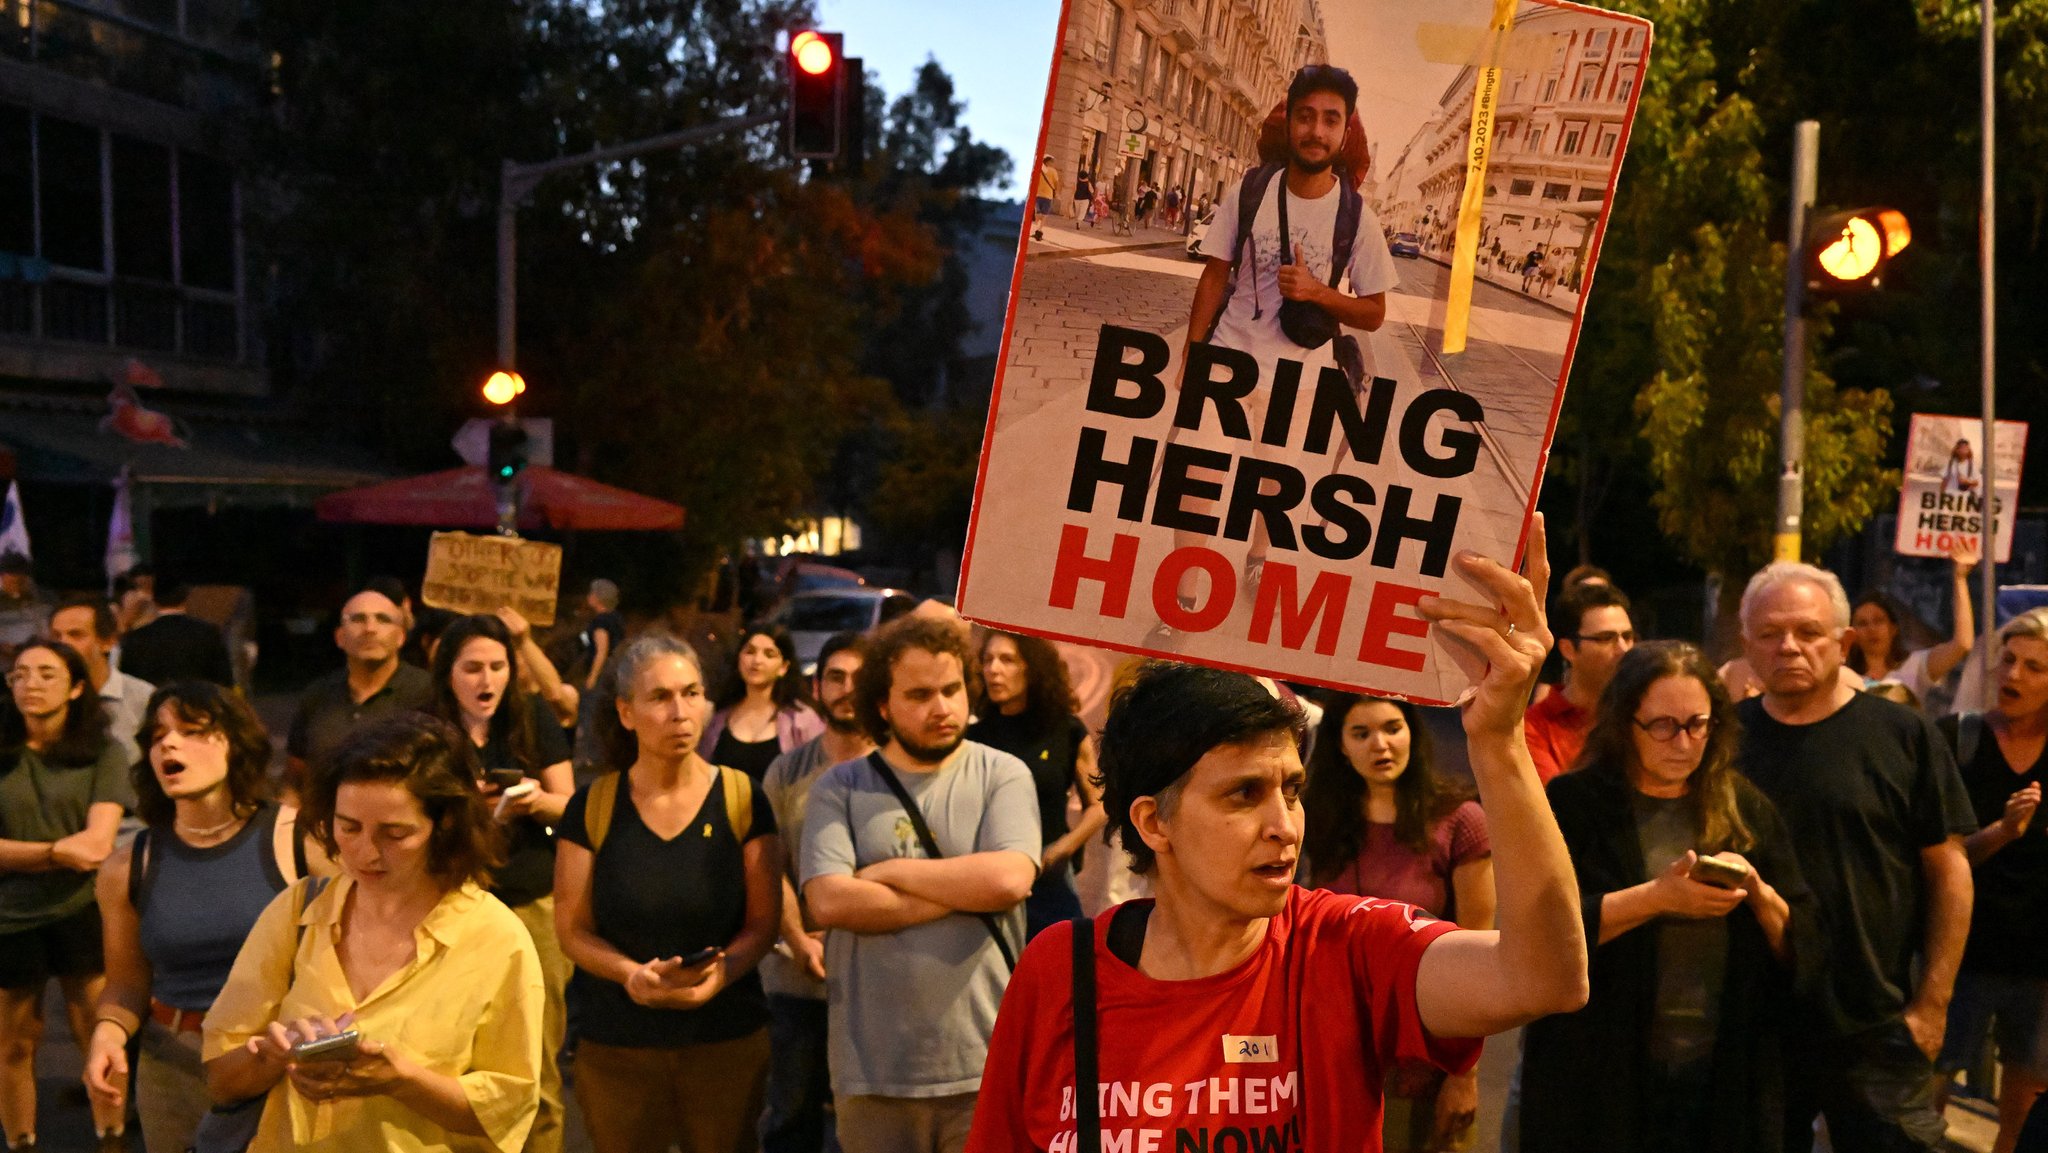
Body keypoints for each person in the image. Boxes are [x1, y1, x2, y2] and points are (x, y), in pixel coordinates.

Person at [964, 516, 1590, 1151]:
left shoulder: (1344, 948)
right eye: (1244, 794)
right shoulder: (1057, 971)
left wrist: (1499, 738)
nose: (1284, 826)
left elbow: (1545, 980)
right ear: (1155, 821)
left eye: (1291, 790)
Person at [1523, 641, 1819, 1152]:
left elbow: (1806, 945)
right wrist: (1657, 898)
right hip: (1602, 1068)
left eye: (1697, 724)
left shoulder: (1744, 807)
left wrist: (1757, 891)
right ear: (1624, 724)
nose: (1682, 742)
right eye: (1662, 725)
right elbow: (1543, 933)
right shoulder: (1576, 805)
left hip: (1724, 1071)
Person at [202, 713, 544, 1153]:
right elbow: (221, 1080)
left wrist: (402, 1080)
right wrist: (271, 1058)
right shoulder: (299, 910)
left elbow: (508, 1108)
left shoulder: (496, 938)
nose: (366, 852)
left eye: (395, 833)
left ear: (444, 827)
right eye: (348, 827)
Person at [1736, 561, 1977, 1152]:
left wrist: (1933, 1005)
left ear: (1843, 643)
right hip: (1750, 1028)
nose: (1788, 647)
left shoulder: (1903, 735)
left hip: (1878, 1021)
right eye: (1769, 633)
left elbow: (1950, 869)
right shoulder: (1719, 739)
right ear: (1747, 646)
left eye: (1808, 632)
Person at [1161, 64, 1395, 637]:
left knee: (1273, 486)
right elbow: (1215, 275)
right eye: (1307, 116)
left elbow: (1374, 312)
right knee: (1193, 478)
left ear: (1344, 133)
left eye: (1330, 120)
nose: (1316, 130)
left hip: (1303, 378)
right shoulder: (1251, 190)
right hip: (1229, 359)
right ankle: (1187, 598)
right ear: (1290, 121)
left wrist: (1318, 292)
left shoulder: (1358, 220)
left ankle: (1258, 562)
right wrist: (1193, 353)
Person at [800, 616, 1040, 1153]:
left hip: (984, 1065)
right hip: (873, 1071)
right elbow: (830, 899)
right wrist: (961, 887)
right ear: (882, 706)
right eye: (920, 694)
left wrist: (887, 873)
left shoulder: (1003, 773)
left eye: (952, 689)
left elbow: (1007, 879)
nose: (942, 708)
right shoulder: (839, 786)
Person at [553, 635, 781, 1153]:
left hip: (725, 1039)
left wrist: (720, 973)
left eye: (692, 692)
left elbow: (763, 924)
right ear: (626, 712)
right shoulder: (594, 806)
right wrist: (629, 974)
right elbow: (571, 928)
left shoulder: (742, 797)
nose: (681, 711)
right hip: (618, 1046)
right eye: (660, 697)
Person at [83, 682, 322, 1153]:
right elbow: (127, 983)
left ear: (234, 742)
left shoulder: (296, 838)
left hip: (273, 1055)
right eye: (157, 735)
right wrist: (107, 1034)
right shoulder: (129, 865)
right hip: (174, 1063)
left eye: (192, 731)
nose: (169, 743)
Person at [1301, 693, 1495, 1152]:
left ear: (1412, 732)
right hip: (1334, 1044)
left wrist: (1464, 1076)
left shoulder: (1459, 820)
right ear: (1341, 746)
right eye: (1361, 733)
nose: (1380, 745)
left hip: (1426, 1045)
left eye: (1392, 728)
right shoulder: (1321, 820)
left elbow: (1479, 958)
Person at [426, 614, 575, 1153]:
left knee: (535, 1060)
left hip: (531, 902)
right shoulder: (426, 728)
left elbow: (570, 807)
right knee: (454, 1055)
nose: (486, 680)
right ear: (447, 674)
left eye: (497, 666)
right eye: (472, 668)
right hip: (450, 902)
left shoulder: (532, 715)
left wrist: (534, 802)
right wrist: (473, 812)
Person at [0, 639, 132, 1150]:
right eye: (21, 674)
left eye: (47, 674)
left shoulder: (103, 752)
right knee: (15, 1043)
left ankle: (112, 1135)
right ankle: (21, 1141)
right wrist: (57, 851)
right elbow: (74, 849)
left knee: (94, 1032)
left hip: (83, 907)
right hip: (10, 915)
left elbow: (98, 845)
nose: (31, 684)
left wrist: (21, 852)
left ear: (77, 687)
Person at [1937, 608, 2048, 1153]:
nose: (2015, 676)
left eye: (2035, 667)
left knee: (2025, 1098)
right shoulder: (1961, 741)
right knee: (1930, 1083)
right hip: (1962, 951)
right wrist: (2005, 830)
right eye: (2008, 660)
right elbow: (1946, 859)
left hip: (2038, 964)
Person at [761, 633, 871, 1153]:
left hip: (879, 978)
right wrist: (799, 940)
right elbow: (771, 868)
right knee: (792, 1117)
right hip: (798, 977)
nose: (848, 690)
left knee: (869, 1120)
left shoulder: (900, 768)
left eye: (858, 677)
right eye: (836, 677)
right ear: (816, 687)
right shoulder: (787, 772)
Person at [967, 631, 1104, 941]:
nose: (993, 669)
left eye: (1007, 660)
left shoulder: (1065, 730)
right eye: (987, 660)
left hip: (1050, 880)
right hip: (989, 877)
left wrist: (1060, 850)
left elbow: (1098, 806)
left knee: (1060, 975)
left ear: (1033, 668)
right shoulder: (974, 739)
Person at [285, 585, 434, 791]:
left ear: (401, 636)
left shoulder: (428, 693)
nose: (370, 629)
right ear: (340, 637)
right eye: (358, 619)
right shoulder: (317, 695)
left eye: (383, 619)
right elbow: (295, 776)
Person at [1525, 583, 1636, 781]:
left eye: (1627, 637)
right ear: (1568, 649)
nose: (1623, 649)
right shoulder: (1534, 727)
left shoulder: (1643, 713)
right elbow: (1557, 805)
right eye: (1605, 638)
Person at [1848, 544, 1978, 709]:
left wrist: (1959, 578)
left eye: (1879, 620)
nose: (1871, 629)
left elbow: (1962, 644)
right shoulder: (1844, 677)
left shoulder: (1914, 666)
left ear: (1893, 628)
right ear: (1852, 634)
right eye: (1862, 623)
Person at [704, 624, 824, 784]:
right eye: (750, 652)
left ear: (783, 667)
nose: (757, 661)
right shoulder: (717, 718)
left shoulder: (802, 719)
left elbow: (819, 776)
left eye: (769, 654)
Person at [51, 596, 156, 766]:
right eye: (56, 636)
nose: (63, 644)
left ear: (108, 642)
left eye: (75, 635)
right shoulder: (45, 697)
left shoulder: (143, 697)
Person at [115, 581, 234, 690]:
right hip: (198, 709)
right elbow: (224, 683)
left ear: (154, 598)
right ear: (186, 596)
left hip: (151, 709)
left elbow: (127, 685)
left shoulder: (136, 638)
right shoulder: (208, 633)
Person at [0, 553, 52, 656]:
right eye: (12, 579)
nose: (18, 581)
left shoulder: (45, 598)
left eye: (22, 578)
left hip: (40, 653)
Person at [579, 580, 624, 693]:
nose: (589, 596)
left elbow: (601, 651)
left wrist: (592, 678)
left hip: (602, 674)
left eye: (592, 593)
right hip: (613, 669)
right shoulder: (615, 618)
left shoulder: (601, 621)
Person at [1032, 155, 1060, 242]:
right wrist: (1057, 193)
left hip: (1037, 194)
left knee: (1038, 214)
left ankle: (1038, 231)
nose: (1053, 163)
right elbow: (1057, 183)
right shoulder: (1053, 171)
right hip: (1048, 196)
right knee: (1044, 215)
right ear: (1047, 161)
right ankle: (1039, 231)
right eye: (1051, 161)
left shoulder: (1038, 169)